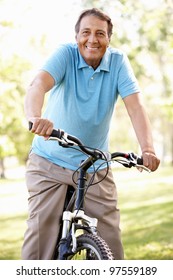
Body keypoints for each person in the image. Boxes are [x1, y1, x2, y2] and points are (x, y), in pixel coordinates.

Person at [22, 8, 160, 260]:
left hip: (95, 164)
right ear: (76, 37)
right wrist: (35, 117)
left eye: (100, 34)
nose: (92, 39)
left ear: (109, 39)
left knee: (110, 241)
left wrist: (148, 149)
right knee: (41, 238)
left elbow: (136, 107)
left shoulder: (118, 62)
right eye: (86, 32)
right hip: (49, 161)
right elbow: (38, 84)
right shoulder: (65, 54)